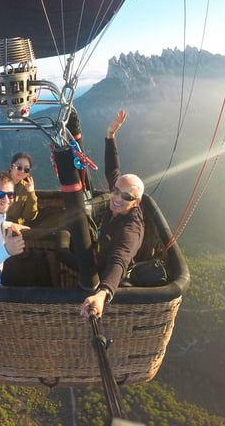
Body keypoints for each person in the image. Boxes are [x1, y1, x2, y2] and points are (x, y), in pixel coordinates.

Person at [80, 110, 145, 318]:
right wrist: (110, 135)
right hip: (101, 252)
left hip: (108, 273)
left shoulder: (131, 230)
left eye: (126, 196)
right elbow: (113, 170)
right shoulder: (119, 193)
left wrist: (102, 294)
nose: (117, 197)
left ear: (137, 202)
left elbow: (120, 259)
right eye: (115, 190)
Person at [6, 152, 38, 225]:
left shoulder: (26, 188)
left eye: (26, 169)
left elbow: (29, 216)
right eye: (19, 167)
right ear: (11, 167)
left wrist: (31, 193)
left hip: (16, 228)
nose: (22, 171)